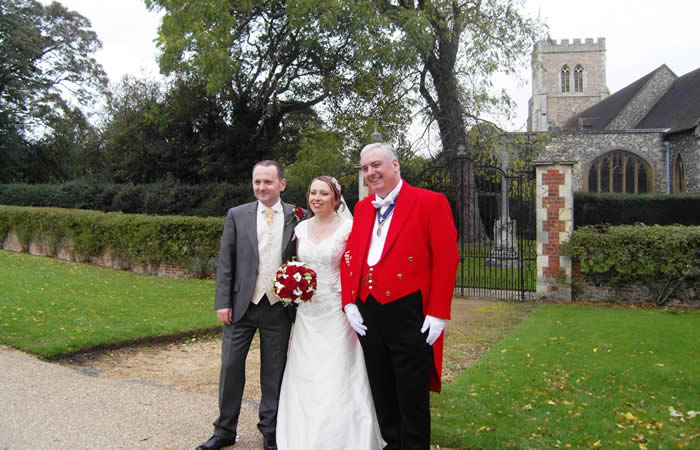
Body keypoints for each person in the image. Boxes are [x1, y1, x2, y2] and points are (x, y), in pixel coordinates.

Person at [340, 142, 459, 449]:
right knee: (381, 389)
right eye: (365, 168)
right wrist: (349, 301)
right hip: (369, 310)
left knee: (411, 393)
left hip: (409, 309)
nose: (370, 173)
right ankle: (392, 444)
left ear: (395, 165)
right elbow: (352, 255)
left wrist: (438, 311)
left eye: (376, 165)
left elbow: (447, 258)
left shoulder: (430, 202)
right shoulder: (363, 207)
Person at [197, 160, 306, 450]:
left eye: (267, 182)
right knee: (231, 367)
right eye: (257, 182)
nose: (261, 187)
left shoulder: (300, 216)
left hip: (278, 307)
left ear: (281, 184)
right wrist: (222, 302)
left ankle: (270, 431)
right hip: (240, 306)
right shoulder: (237, 215)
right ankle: (223, 431)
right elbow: (226, 261)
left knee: (274, 371)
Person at [276, 176, 384, 450]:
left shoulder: (349, 227)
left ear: (336, 199)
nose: (317, 198)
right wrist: (292, 283)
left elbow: (357, 269)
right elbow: (293, 263)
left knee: (338, 371)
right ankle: (302, 432)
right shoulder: (300, 228)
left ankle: (344, 436)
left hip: (337, 309)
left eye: (324, 193)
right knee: (306, 371)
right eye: (313, 192)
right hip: (308, 312)